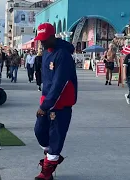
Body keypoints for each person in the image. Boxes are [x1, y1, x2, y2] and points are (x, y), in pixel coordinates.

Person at [33, 23, 78, 180]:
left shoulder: (63, 55)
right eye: (40, 40)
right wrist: (44, 101)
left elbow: (60, 83)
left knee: (56, 135)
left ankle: (47, 171)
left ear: (53, 36)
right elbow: (47, 81)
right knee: (39, 130)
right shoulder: (46, 52)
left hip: (61, 102)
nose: (42, 42)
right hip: (47, 99)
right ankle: (51, 157)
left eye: (45, 39)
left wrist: (46, 105)